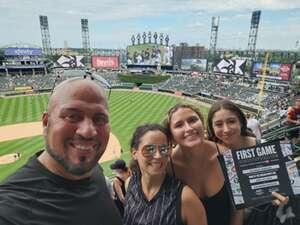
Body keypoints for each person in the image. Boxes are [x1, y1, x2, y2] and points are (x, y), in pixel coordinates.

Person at [0, 78, 122, 225]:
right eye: (72, 116)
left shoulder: (94, 170)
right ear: (46, 122)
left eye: (100, 119)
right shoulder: (11, 211)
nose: (88, 132)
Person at [207, 100, 292, 225]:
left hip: (263, 218)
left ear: (241, 122)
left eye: (231, 121)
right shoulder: (210, 154)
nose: (226, 129)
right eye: (219, 124)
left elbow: (285, 189)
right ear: (212, 128)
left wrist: (281, 197)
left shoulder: (264, 147)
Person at [164, 103, 238, 225]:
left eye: (192, 120)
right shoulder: (167, 167)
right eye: (179, 125)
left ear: (202, 123)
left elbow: (238, 207)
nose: (188, 128)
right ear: (171, 135)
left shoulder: (227, 156)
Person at [123, 124, 207, 225]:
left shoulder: (185, 199)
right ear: (134, 153)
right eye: (149, 149)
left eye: (164, 149)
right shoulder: (130, 184)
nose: (158, 156)